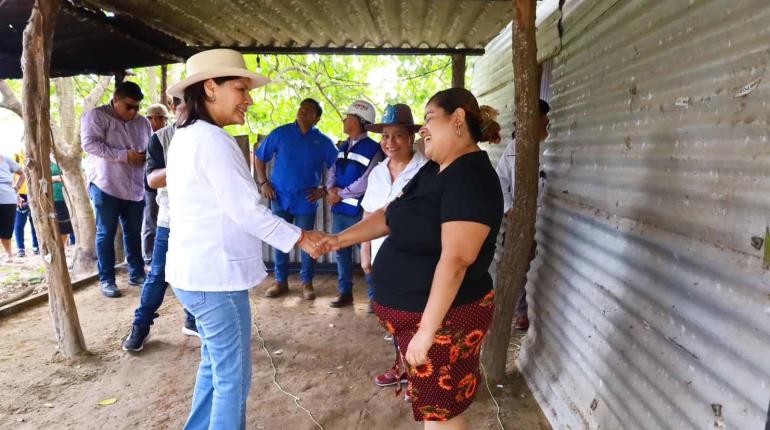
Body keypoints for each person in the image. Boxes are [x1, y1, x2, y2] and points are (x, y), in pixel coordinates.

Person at [319, 88, 503, 428]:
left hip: (447, 321)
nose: (423, 130)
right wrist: (337, 240)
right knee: (436, 411)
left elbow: (457, 260)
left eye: (430, 118)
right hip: (425, 319)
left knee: (442, 417)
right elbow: (390, 214)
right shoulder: (436, 170)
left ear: (458, 119)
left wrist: (427, 330)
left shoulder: (471, 177)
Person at [164, 48, 323, 429]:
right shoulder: (212, 141)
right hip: (213, 278)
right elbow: (247, 210)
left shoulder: (186, 137)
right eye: (241, 88)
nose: (249, 99)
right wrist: (302, 237)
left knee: (216, 366)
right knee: (233, 376)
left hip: (197, 275)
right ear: (210, 88)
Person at [358, 104, 428, 391]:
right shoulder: (377, 173)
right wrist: (364, 252)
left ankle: (419, 377)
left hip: (415, 258)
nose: (390, 142)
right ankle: (401, 368)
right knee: (392, 319)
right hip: (382, 257)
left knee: (417, 318)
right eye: (385, 136)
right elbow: (368, 214)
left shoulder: (426, 170)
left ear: (411, 137)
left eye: (397, 136)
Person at [122, 97, 199, 353]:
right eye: (185, 104)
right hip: (172, 219)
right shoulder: (161, 138)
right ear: (176, 107)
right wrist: (180, 166)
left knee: (197, 271)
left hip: (203, 219)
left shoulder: (210, 135)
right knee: (158, 275)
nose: (190, 110)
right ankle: (140, 326)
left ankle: (192, 318)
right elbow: (152, 179)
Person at [254, 98, 337, 300]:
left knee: (309, 240)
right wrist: (264, 183)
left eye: (309, 110)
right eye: (301, 108)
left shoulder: (323, 141)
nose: (302, 112)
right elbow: (260, 157)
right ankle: (280, 281)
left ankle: (307, 283)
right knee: (280, 238)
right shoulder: (281, 133)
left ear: (316, 118)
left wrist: (324, 190)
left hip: (306, 199)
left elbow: (337, 167)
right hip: (279, 196)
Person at [81, 81, 151, 298]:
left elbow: (151, 147)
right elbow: (89, 144)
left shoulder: (143, 123)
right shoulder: (96, 116)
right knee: (106, 233)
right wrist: (124, 155)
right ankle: (107, 280)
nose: (134, 111)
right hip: (105, 185)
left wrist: (145, 158)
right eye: (129, 106)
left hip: (135, 185)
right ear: (116, 100)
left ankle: (137, 273)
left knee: (133, 232)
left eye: (137, 107)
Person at [494, 99, 550, 331]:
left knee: (540, 267)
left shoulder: (551, 146)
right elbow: (501, 179)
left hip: (547, 222)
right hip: (520, 221)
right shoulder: (515, 149)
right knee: (516, 265)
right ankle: (520, 312)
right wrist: (509, 208)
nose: (545, 124)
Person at [325, 99, 382, 307]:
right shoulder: (342, 145)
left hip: (360, 211)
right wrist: (330, 189)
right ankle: (345, 293)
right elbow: (332, 169)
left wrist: (342, 194)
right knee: (341, 252)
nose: (344, 120)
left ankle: (375, 298)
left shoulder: (374, 149)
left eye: (347, 117)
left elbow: (367, 179)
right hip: (339, 209)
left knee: (367, 254)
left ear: (358, 121)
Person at [141, 103, 170, 264]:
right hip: (150, 185)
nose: (158, 121)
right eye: (154, 118)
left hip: (167, 186)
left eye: (161, 118)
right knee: (151, 220)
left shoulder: (169, 135)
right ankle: (149, 257)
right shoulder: (145, 134)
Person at [1, 153, 25, 263]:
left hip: (8, 200)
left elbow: (22, 174)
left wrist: (16, 189)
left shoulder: (6, 159)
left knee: (6, 229)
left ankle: (8, 253)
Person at [13, 151, 38, 257]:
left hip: (34, 193)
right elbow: (11, 177)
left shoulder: (34, 154)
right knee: (19, 224)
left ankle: (36, 246)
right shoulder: (15, 155)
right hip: (21, 195)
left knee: (35, 223)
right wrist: (16, 194)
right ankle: (21, 248)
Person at [49, 159, 74, 245]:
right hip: (50, 199)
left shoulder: (66, 159)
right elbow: (40, 177)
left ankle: (63, 246)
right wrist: (57, 178)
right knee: (51, 223)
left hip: (66, 198)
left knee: (64, 224)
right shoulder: (45, 160)